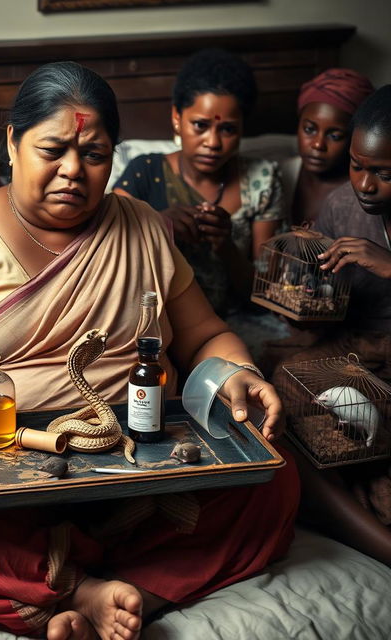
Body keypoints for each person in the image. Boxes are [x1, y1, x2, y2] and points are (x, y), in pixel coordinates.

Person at [0, 62, 299, 640]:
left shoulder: (139, 226)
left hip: (140, 469)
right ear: (13, 144)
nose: (72, 170)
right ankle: (85, 592)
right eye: (53, 149)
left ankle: (125, 596)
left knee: (279, 478)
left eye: (94, 154)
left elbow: (204, 335)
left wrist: (234, 370)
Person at [272, 85, 391, 568]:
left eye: (383, 173)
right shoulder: (342, 207)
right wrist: (301, 304)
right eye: (358, 166)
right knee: (279, 387)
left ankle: (347, 485)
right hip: (352, 352)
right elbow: (322, 309)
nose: (364, 184)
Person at [113, 48, 284, 318]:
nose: (213, 143)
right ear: (177, 119)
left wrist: (226, 247)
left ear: (242, 128)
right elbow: (107, 254)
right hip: (157, 321)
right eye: (200, 125)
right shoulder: (144, 172)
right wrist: (158, 224)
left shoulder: (262, 181)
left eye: (227, 129)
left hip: (233, 319)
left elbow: (266, 294)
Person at [280, 68, 374, 226]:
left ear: (355, 138)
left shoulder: (367, 190)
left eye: (334, 136)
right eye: (309, 129)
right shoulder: (280, 175)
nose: (318, 145)